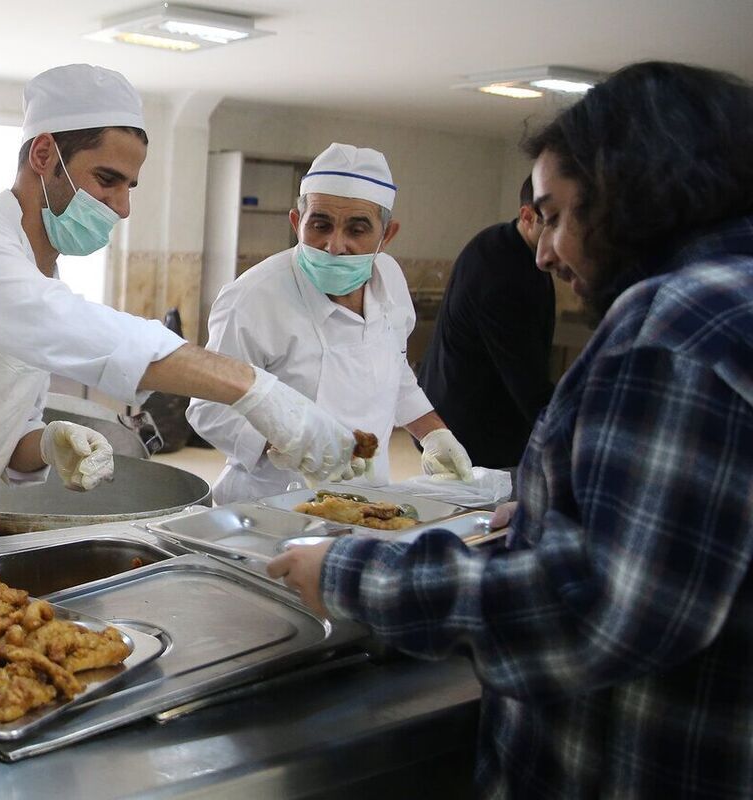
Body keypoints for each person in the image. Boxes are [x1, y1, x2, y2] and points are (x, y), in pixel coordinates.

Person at [267, 61, 753, 798]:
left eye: (555, 214)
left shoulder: (670, 332)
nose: (545, 251)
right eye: (322, 223)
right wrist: (554, 506)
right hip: (274, 485)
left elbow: (599, 610)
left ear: (633, 191)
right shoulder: (732, 299)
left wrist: (353, 574)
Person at [0, 65, 361, 557]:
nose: (122, 207)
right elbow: (73, 328)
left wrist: (47, 442)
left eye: (130, 186)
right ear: (45, 154)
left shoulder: (39, 270)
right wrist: (256, 390)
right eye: (107, 179)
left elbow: (5, 433)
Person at [186, 143, 473, 504]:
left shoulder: (391, 281)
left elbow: (393, 371)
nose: (335, 246)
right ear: (297, 222)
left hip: (368, 499)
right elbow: (208, 408)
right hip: (270, 504)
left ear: (387, 236)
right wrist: (288, 442)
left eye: (357, 229)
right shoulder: (254, 297)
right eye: (320, 225)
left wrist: (433, 434)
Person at [416, 177, 555, 468]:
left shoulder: (501, 240)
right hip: (470, 433)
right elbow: (528, 383)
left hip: (454, 415)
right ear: (527, 216)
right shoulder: (503, 273)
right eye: (553, 223)